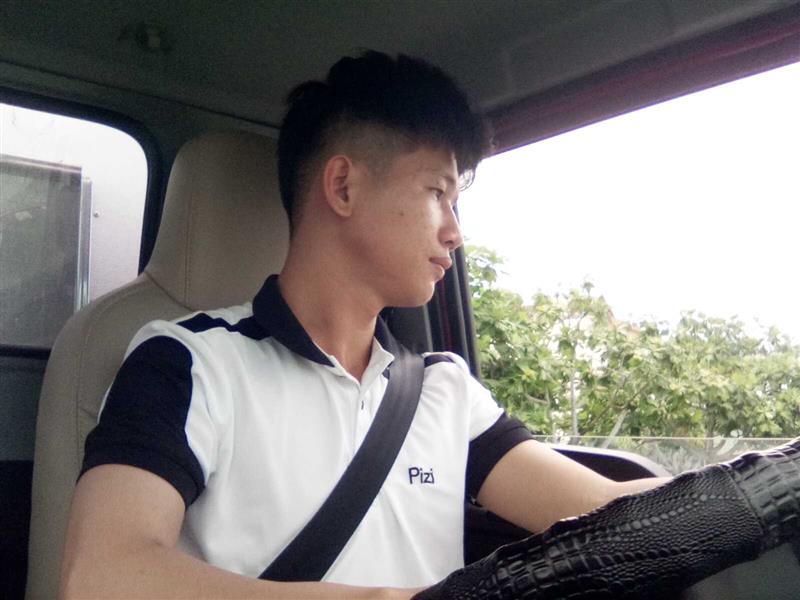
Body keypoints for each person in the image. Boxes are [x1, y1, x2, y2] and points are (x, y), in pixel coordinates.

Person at [59, 51, 799, 600]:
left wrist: (765, 493)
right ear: (343, 186)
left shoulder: (443, 390)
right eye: (439, 193)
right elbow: (103, 576)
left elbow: (606, 513)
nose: (456, 232)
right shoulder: (189, 362)